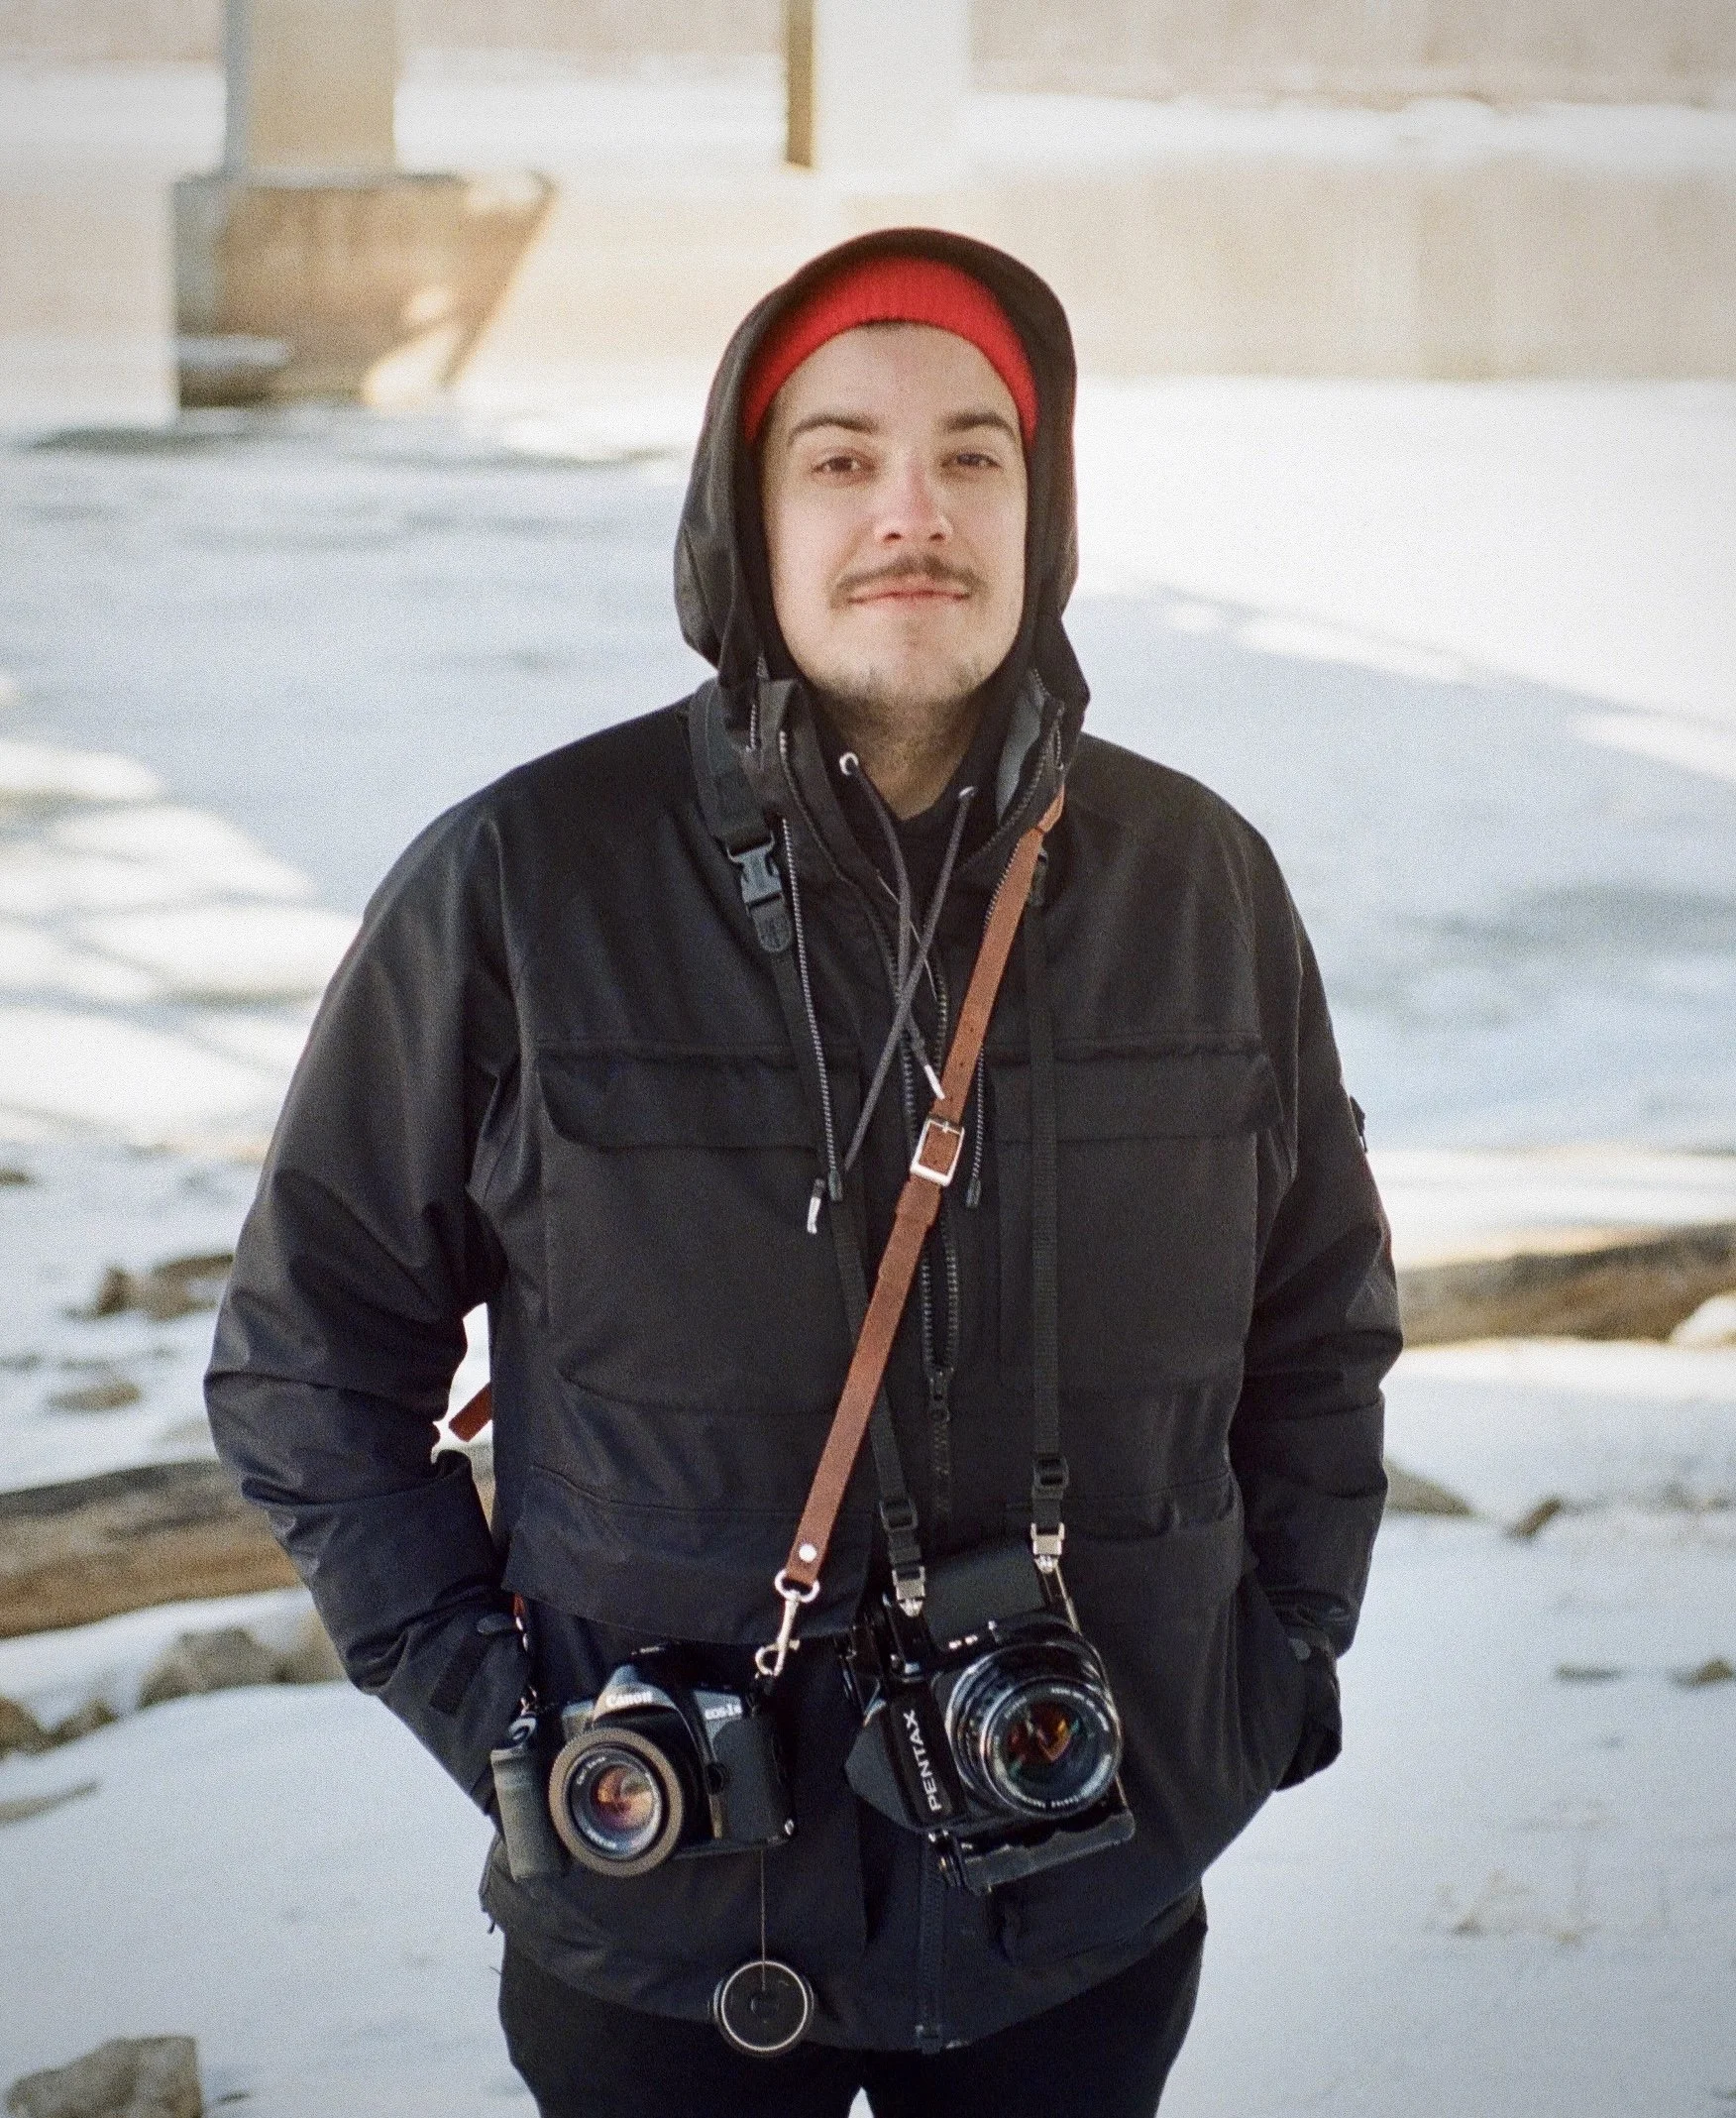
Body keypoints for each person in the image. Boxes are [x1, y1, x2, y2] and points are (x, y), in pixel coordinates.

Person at [206, 228, 1401, 2116]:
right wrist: (505, 1728)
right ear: (743, 518)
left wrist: (1256, 1695)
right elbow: (305, 1362)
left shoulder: (1202, 886)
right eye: (838, 457)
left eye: (974, 455)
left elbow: (1321, 1335)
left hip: (1085, 1888)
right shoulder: (525, 882)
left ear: (1043, 502)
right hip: (665, 1932)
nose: (909, 510)